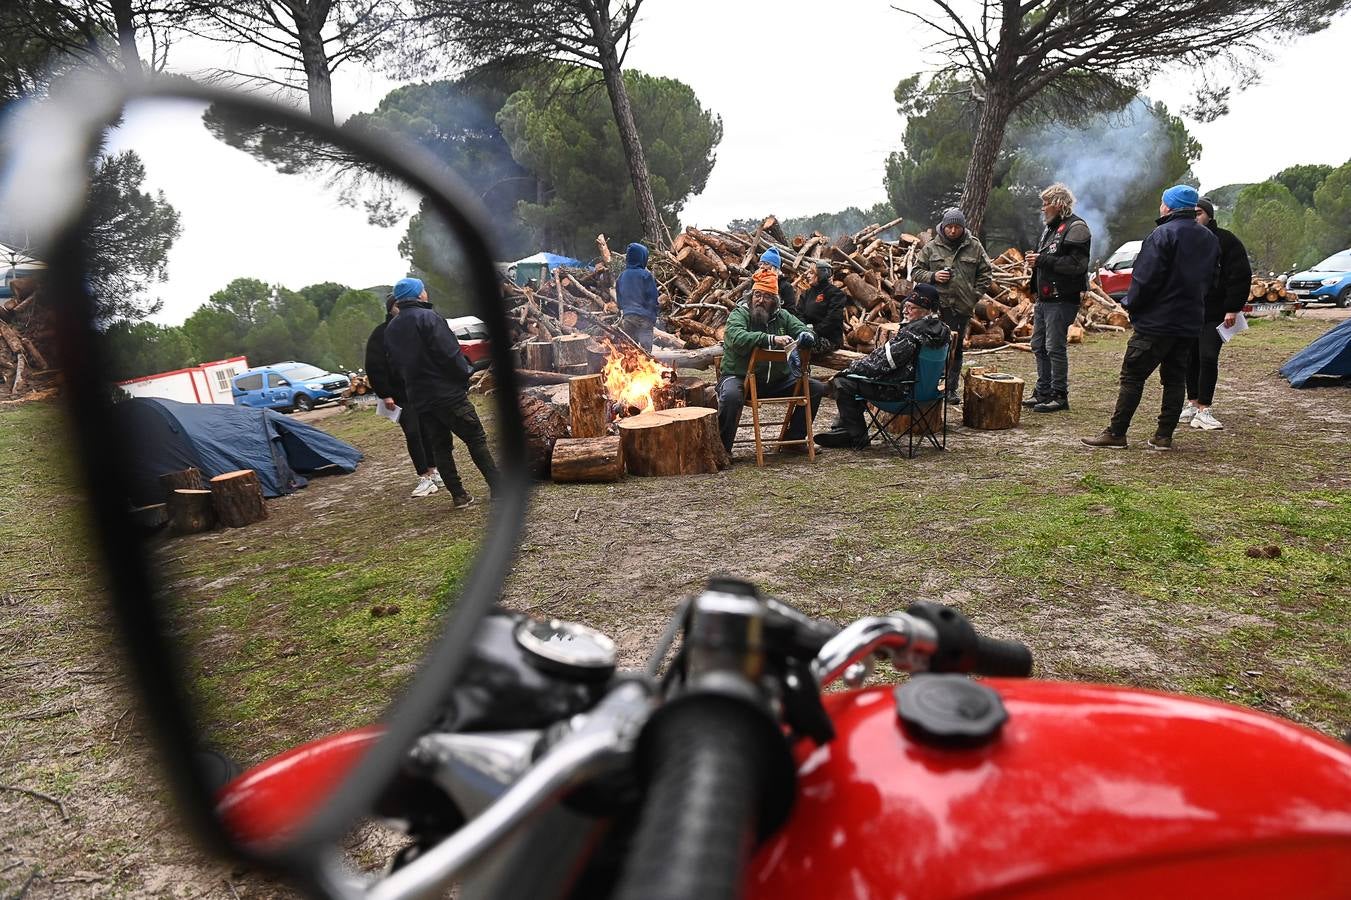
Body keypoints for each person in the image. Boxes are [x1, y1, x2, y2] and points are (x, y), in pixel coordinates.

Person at [1083, 185, 1219, 451]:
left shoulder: (1162, 234)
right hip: (1189, 321)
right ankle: (1163, 435)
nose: (1160, 206)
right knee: (1175, 378)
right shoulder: (1208, 238)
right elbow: (1212, 281)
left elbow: (1145, 279)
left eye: (1162, 202)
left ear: (1169, 206)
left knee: (1132, 376)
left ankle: (1117, 432)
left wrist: (1132, 305)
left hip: (1157, 321)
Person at [383, 277, 499, 506]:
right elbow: (449, 354)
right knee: (476, 438)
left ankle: (459, 495)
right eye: (423, 289)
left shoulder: (392, 328)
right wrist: (464, 373)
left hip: (420, 398)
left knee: (440, 447)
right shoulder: (428, 318)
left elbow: (394, 365)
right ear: (418, 294)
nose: (426, 292)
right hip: (447, 394)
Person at [815, 284, 950, 450]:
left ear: (926, 310)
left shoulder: (912, 334)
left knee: (843, 382)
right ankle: (841, 429)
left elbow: (882, 364)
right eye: (906, 306)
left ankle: (856, 436)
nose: (906, 311)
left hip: (900, 394)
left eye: (912, 308)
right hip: (928, 394)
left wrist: (851, 367)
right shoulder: (944, 331)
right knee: (855, 379)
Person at [717, 276, 823, 454]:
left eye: (766, 297)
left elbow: (803, 329)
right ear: (751, 296)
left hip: (777, 380)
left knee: (816, 388)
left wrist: (807, 337)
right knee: (731, 396)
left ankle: (794, 440)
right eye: (757, 295)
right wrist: (771, 339)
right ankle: (722, 449)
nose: (760, 300)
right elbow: (736, 338)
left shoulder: (783, 316)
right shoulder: (740, 313)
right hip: (741, 377)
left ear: (775, 301)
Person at [1180, 197, 1252, 431]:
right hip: (1189, 309)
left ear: (1209, 215)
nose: (1196, 217)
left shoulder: (1227, 241)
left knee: (1208, 356)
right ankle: (1191, 403)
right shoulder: (1183, 239)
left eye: (1199, 213)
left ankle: (1204, 409)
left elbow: (1240, 276)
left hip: (1216, 312)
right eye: (1192, 214)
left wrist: (1233, 307)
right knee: (1190, 358)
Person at [911, 207, 993, 404]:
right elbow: (915, 271)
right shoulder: (932, 247)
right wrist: (933, 276)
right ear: (943, 227)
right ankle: (929, 387)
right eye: (949, 227)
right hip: (937, 307)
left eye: (957, 227)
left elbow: (986, 273)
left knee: (955, 351)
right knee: (931, 348)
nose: (953, 231)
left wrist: (974, 295)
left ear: (963, 227)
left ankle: (951, 389)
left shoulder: (974, 246)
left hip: (961, 308)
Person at [365, 293, 443, 498]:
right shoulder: (381, 333)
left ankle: (434, 471)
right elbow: (374, 366)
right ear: (391, 308)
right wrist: (385, 394)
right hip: (399, 395)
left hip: (420, 389)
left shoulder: (414, 325)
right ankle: (424, 477)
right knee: (413, 433)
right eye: (397, 305)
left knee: (427, 431)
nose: (401, 307)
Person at [1025, 183, 1092, 413]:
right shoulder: (1050, 229)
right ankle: (1043, 391)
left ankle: (1059, 394)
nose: (1043, 208)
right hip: (1044, 299)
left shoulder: (1077, 228)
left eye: (1046, 203)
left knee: (1054, 347)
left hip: (1062, 298)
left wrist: (1042, 261)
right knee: (1038, 345)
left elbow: (1077, 266)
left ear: (1059, 204)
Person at [793, 260, 847, 354]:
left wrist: (814, 331)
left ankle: (801, 369)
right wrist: (804, 329)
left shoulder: (835, 294)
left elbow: (833, 319)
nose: (808, 276)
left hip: (828, 339)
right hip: (806, 334)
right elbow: (798, 313)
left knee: (799, 347)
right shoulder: (807, 293)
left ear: (821, 274)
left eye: (811, 272)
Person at [616, 242, 659, 351]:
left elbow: (620, 299)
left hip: (628, 317)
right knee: (646, 353)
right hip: (645, 318)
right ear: (642, 258)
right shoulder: (646, 275)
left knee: (630, 350)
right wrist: (654, 315)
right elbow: (653, 298)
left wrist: (625, 309)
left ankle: (628, 368)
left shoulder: (622, 276)